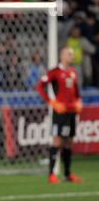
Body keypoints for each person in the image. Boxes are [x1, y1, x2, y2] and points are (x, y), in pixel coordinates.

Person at [36, 46, 83, 184]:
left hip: (71, 112)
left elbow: (76, 90)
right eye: (70, 54)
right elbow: (40, 86)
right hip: (60, 112)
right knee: (57, 140)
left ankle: (68, 174)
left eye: (72, 55)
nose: (72, 57)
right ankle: (51, 174)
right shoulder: (55, 72)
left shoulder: (73, 72)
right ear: (62, 56)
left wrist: (78, 101)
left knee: (69, 142)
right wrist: (51, 102)